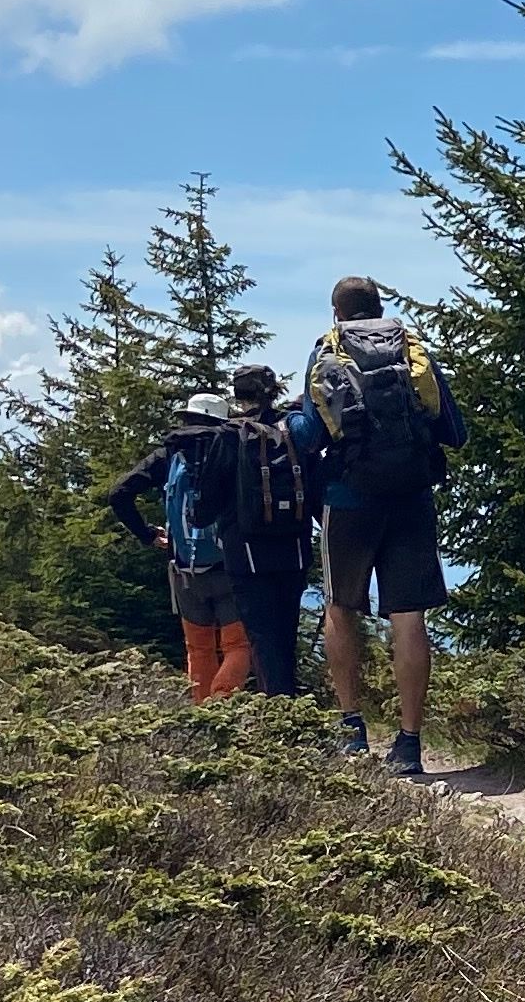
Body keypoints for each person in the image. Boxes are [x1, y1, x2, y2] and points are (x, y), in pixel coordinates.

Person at [300, 275, 465, 777]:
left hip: (348, 498)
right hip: (411, 497)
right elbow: (454, 430)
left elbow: (310, 434)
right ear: (379, 306)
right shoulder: (413, 351)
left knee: (340, 606)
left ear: (337, 312)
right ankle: (409, 743)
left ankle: (352, 731)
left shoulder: (327, 351)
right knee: (409, 615)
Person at [106, 393, 251, 699]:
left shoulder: (169, 454)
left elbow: (119, 493)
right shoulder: (233, 450)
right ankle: (223, 705)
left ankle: (202, 713)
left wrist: (147, 535)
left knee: (198, 648)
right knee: (237, 645)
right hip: (229, 565)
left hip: (184, 569)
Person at [217, 358, 320, 697]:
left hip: (245, 552)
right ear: (273, 392)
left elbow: (209, 499)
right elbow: (315, 489)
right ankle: (291, 702)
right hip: (294, 547)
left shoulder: (229, 434)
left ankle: (277, 707)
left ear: (237, 394)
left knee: (261, 635)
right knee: (286, 630)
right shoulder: (294, 430)